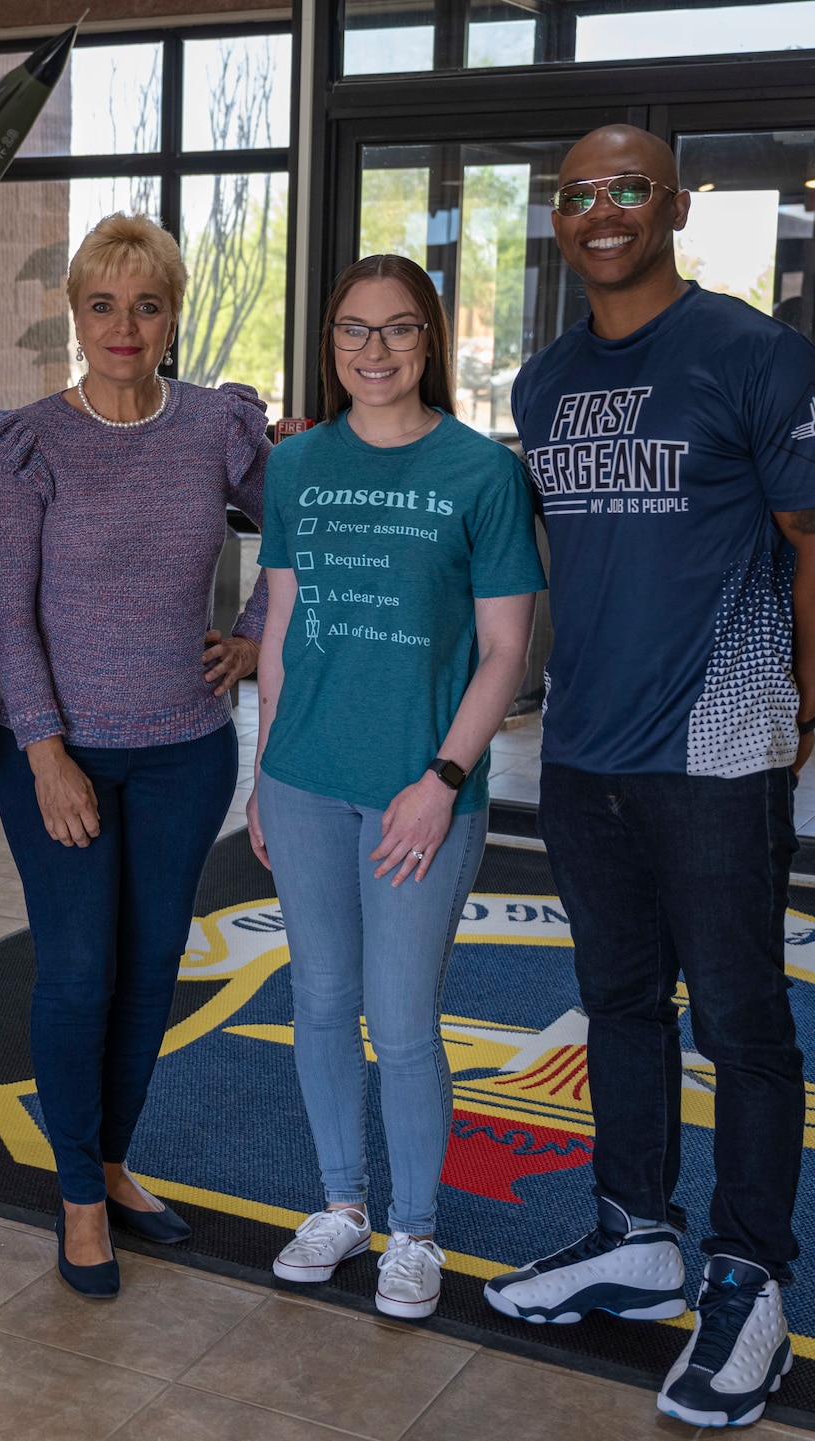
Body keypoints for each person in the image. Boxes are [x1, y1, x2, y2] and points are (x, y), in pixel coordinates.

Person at [484, 125, 815, 1430]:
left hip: (717, 756)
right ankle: (636, 1235)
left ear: (675, 205)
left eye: (627, 189)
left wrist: (790, 714)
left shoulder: (756, 355)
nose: (602, 211)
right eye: (579, 193)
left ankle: (752, 1277)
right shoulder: (542, 384)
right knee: (620, 1005)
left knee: (746, 1026)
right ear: (558, 216)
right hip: (585, 754)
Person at [0, 212, 271, 1301]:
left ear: (170, 313)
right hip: (64, 756)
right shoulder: (34, 441)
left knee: (150, 968)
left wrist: (252, 642)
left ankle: (110, 1162)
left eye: (145, 304)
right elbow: (9, 613)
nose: (123, 325)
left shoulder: (215, 429)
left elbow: (298, 536)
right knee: (80, 970)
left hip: (186, 753)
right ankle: (78, 1200)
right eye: (102, 303)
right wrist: (45, 754)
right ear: (75, 313)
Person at [248, 254, 544, 1320]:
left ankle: (413, 1228)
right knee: (319, 999)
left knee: (401, 1015)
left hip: (422, 787)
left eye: (397, 329)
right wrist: (263, 770)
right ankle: (339, 1203)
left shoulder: (480, 472)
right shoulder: (293, 466)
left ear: (430, 339)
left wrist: (442, 778)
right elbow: (281, 625)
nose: (373, 352)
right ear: (328, 344)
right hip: (303, 778)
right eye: (351, 330)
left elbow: (505, 650)